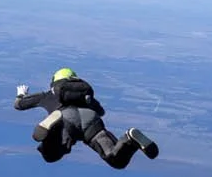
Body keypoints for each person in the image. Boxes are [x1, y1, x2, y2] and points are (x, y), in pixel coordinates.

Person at [13, 68, 158, 169]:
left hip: (65, 120)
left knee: (50, 155)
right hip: (91, 121)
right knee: (115, 159)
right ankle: (129, 139)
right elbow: (101, 112)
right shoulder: (86, 95)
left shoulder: (48, 95)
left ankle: (54, 123)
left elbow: (19, 105)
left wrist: (21, 94)